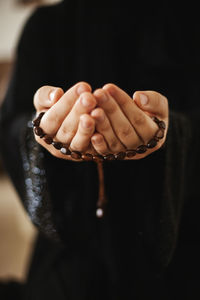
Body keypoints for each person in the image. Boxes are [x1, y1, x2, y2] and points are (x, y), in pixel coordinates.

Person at [0, 1, 200, 299]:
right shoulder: (46, 26)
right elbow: (12, 126)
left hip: (184, 255)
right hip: (69, 262)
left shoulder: (190, 21)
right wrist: (42, 131)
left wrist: (174, 135)